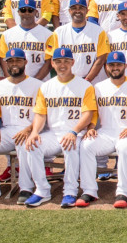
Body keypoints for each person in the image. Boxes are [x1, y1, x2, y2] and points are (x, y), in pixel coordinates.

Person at [23, 48, 98, 208]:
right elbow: (40, 114)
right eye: (58, 61)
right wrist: (34, 132)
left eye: (66, 61)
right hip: (53, 133)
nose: (62, 65)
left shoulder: (85, 85)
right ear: (52, 63)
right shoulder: (46, 87)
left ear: (72, 62)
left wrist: (74, 131)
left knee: (70, 146)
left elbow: (88, 114)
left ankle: (70, 191)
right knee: (32, 146)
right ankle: (42, 190)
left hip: (76, 133)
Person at [76, 52, 127, 208]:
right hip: (106, 131)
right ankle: (89, 190)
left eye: (118, 64)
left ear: (125, 66)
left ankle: (122, 192)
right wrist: (91, 127)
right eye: (111, 65)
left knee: (125, 148)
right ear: (106, 67)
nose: (115, 68)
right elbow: (93, 111)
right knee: (86, 145)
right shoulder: (98, 87)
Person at [0, 48, 41, 205]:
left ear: (25, 62)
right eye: (10, 61)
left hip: (29, 128)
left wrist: (29, 130)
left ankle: (26, 188)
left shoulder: (38, 85)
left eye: (18, 60)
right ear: (5, 64)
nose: (14, 64)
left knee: (24, 144)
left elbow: (43, 114)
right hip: (5, 130)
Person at [46, 0, 109, 84]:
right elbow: (53, 59)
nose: (77, 11)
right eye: (74, 8)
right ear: (69, 11)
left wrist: (87, 80)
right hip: (68, 82)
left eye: (81, 8)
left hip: (94, 81)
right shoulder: (59, 32)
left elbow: (101, 59)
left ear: (87, 11)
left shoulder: (99, 31)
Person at [0, 0, 53, 81]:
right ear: (18, 12)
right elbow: (3, 59)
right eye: (23, 10)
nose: (26, 13)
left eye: (30, 10)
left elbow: (49, 62)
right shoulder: (7, 34)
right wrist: (11, 80)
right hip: (15, 83)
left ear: (36, 12)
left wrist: (35, 81)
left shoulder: (48, 34)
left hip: (40, 83)